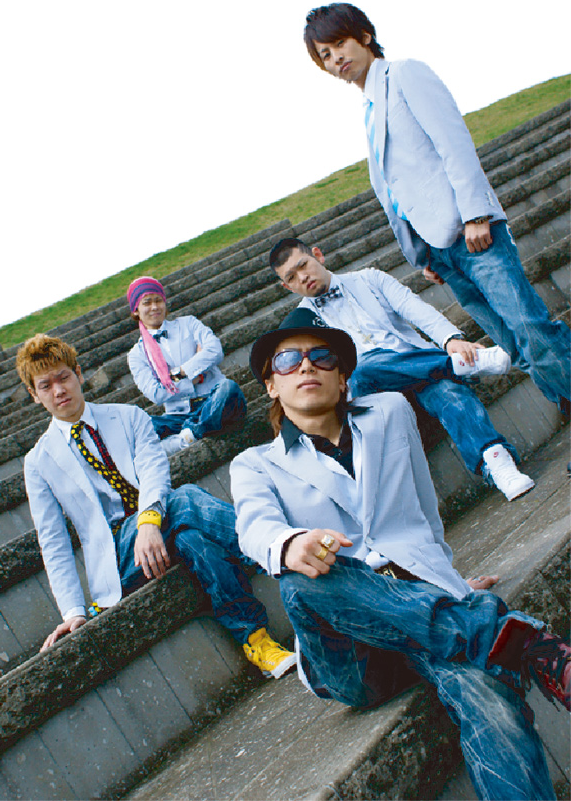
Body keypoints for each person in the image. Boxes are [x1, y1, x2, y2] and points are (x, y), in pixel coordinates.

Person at [229, 309, 570, 800]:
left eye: (322, 356)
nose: (306, 366)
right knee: (300, 580)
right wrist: (288, 543)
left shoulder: (390, 411)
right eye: (288, 360)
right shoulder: (255, 464)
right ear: (271, 386)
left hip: (420, 605)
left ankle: (483, 635)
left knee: (489, 697)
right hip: (352, 654)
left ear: (343, 376)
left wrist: (447, 580)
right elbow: (253, 528)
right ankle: (506, 637)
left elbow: (424, 511)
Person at [302, 3, 571, 417]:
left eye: (339, 44)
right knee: (510, 340)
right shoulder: (369, 112)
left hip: (471, 232)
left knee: (529, 325)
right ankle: (564, 401)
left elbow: (452, 142)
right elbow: (396, 190)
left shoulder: (404, 74)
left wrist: (476, 215)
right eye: (325, 54)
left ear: (365, 37)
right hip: (440, 250)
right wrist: (423, 253)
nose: (336, 58)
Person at [16, 333, 295, 679]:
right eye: (46, 386)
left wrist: (149, 522)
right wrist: (73, 611)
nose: (58, 390)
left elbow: (154, 471)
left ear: (79, 373)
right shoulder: (38, 461)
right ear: (34, 394)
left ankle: (257, 641)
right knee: (185, 497)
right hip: (119, 554)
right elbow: (53, 541)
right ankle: (282, 548)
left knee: (194, 540)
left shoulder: (128, 416)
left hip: (160, 524)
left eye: (63, 377)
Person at [271, 237, 534, 501]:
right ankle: (456, 366)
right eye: (291, 277)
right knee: (360, 369)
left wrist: (450, 340)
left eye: (303, 265)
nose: (302, 277)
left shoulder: (369, 279)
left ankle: (497, 464)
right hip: (371, 395)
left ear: (318, 255)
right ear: (286, 286)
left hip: (417, 369)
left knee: (447, 391)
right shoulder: (301, 325)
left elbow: (414, 308)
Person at [126, 276, 247, 455]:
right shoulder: (137, 354)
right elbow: (155, 393)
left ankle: (189, 435)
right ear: (136, 310)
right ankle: (196, 426)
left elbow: (214, 350)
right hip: (178, 416)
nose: (154, 307)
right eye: (147, 302)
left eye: (158, 300)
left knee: (228, 388)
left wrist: (179, 373)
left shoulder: (188, 324)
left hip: (213, 400)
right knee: (141, 425)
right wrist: (193, 376)